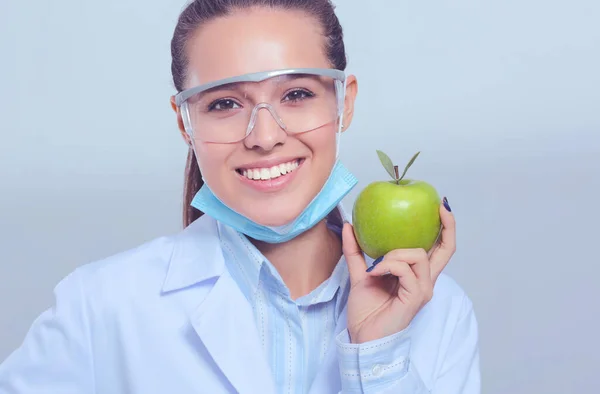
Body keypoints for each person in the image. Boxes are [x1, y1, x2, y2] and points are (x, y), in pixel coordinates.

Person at [0, 0, 481, 393]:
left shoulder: (438, 310)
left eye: (296, 94)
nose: (265, 136)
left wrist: (378, 360)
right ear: (185, 121)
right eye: (225, 104)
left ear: (344, 102)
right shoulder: (100, 306)